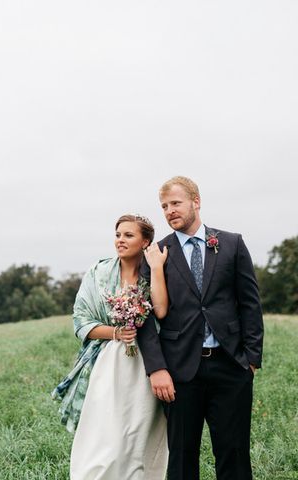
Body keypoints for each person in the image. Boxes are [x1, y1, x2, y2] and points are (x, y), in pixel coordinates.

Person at [137, 176, 264, 480]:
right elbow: (143, 319)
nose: (169, 211)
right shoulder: (156, 254)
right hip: (179, 372)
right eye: (164, 206)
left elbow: (250, 303)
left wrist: (251, 360)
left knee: (233, 454)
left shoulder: (231, 243)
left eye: (176, 203)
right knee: (181, 459)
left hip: (231, 367)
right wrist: (157, 369)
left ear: (196, 201)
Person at [53, 214, 169, 480]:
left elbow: (161, 310)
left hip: (145, 364)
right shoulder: (99, 272)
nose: (120, 240)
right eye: (118, 234)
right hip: (108, 363)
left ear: (145, 242)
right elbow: (81, 321)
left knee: (138, 433)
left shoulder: (153, 272)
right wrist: (117, 332)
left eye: (128, 235)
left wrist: (158, 267)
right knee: (104, 433)